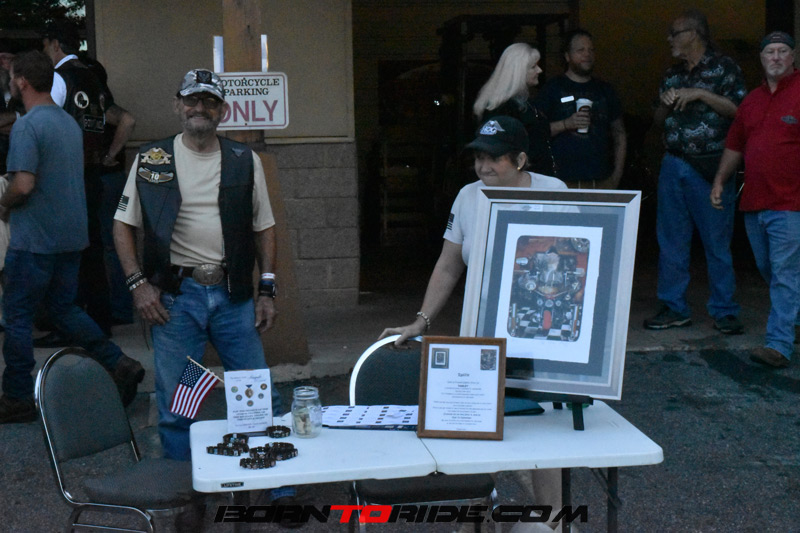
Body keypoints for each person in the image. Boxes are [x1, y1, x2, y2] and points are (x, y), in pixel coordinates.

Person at [380, 115, 567, 531]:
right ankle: (473, 520)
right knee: (476, 425)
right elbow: (449, 265)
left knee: (545, 430)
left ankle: (551, 521)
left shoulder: (554, 191)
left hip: (540, 334)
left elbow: (577, 262)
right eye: (479, 158)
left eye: (494, 158)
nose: (483, 166)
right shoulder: (468, 196)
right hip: (481, 336)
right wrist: (421, 321)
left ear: (520, 159)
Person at [113, 69, 281, 460]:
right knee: (179, 406)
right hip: (176, 300)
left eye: (209, 101)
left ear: (223, 110)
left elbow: (264, 227)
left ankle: (269, 480)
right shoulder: (153, 159)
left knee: (255, 399)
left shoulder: (243, 160)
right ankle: (183, 486)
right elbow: (122, 224)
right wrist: (138, 285)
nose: (199, 108)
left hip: (234, 297)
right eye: (191, 100)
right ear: (178, 106)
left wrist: (267, 290)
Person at [0, 51, 144, 424]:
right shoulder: (68, 123)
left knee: (17, 316)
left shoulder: (27, 126)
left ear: (22, 82)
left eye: (12, 77)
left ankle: (17, 395)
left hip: (35, 240)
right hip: (70, 237)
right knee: (63, 308)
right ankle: (118, 362)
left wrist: (3, 204)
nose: (10, 83)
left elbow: (23, 184)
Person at [644, 10, 746, 334]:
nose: (669, 39)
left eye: (674, 33)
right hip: (674, 162)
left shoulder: (725, 68)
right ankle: (674, 307)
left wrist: (701, 93)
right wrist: (665, 103)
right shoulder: (672, 74)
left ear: (694, 33)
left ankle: (725, 310)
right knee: (671, 241)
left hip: (712, 166)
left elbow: (740, 112)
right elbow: (658, 120)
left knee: (717, 242)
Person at [710, 32, 800, 368]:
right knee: (769, 269)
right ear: (762, 59)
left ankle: (779, 345)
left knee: (784, 273)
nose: (776, 57)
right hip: (754, 203)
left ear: (793, 57)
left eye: (782, 51)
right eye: (770, 52)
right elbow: (735, 145)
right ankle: (795, 319)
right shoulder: (751, 101)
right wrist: (720, 180)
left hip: (791, 204)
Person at [39, 23, 116, 341]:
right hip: (92, 172)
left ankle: (69, 325)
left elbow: (48, 123)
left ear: (55, 44)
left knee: (66, 254)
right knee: (91, 251)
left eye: (45, 45)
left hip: (66, 176)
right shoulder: (92, 78)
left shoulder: (60, 77)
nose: (44, 52)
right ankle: (98, 321)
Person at [536, 29, 626, 189]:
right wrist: (566, 124)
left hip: (601, 180)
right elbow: (536, 133)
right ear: (567, 56)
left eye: (591, 50)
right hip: (560, 181)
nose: (587, 54)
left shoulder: (605, 90)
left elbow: (619, 134)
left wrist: (616, 176)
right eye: (580, 50)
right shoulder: (552, 89)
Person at [473, 43, 557, 176]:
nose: (539, 70)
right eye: (533, 67)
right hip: (521, 180)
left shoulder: (525, 103)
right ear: (518, 71)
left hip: (532, 178)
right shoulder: (503, 108)